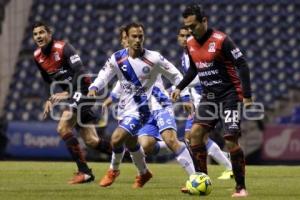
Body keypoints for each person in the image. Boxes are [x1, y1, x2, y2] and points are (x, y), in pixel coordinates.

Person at [88, 22, 196, 189]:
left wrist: (186, 96)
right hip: (129, 108)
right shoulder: (117, 58)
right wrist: (94, 87)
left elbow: (176, 75)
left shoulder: (154, 58)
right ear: (126, 38)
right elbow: (105, 75)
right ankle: (144, 172)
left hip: (156, 105)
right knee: (140, 144)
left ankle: (195, 179)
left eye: (140, 36)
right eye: (133, 36)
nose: (138, 40)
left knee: (121, 139)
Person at [172, 4, 252, 197]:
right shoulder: (190, 43)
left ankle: (241, 188)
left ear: (204, 21)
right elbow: (193, 70)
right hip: (209, 97)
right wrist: (179, 87)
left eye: (193, 26)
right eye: (187, 27)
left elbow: (242, 64)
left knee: (230, 141)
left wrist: (247, 95)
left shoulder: (221, 40)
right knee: (195, 135)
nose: (190, 31)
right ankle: (201, 182)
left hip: (229, 95)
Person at [32, 21, 111, 184]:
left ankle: (85, 172)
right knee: (91, 141)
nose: (38, 36)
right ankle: (132, 154)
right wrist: (49, 98)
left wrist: (67, 92)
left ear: (49, 34)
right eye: (35, 34)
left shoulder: (63, 48)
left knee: (63, 127)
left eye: (41, 32)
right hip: (73, 94)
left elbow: (81, 72)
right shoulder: (37, 56)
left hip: (85, 89)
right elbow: (46, 79)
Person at [177, 26, 233, 180]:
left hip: (206, 98)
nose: (185, 39)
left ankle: (203, 174)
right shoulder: (186, 54)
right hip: (198, 98)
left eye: (188, 35)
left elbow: (198, 76)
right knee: (201, 138)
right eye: (182, 36)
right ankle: (227, 165)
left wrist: (180, 86)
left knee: (191, 136)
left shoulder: (195, 52)